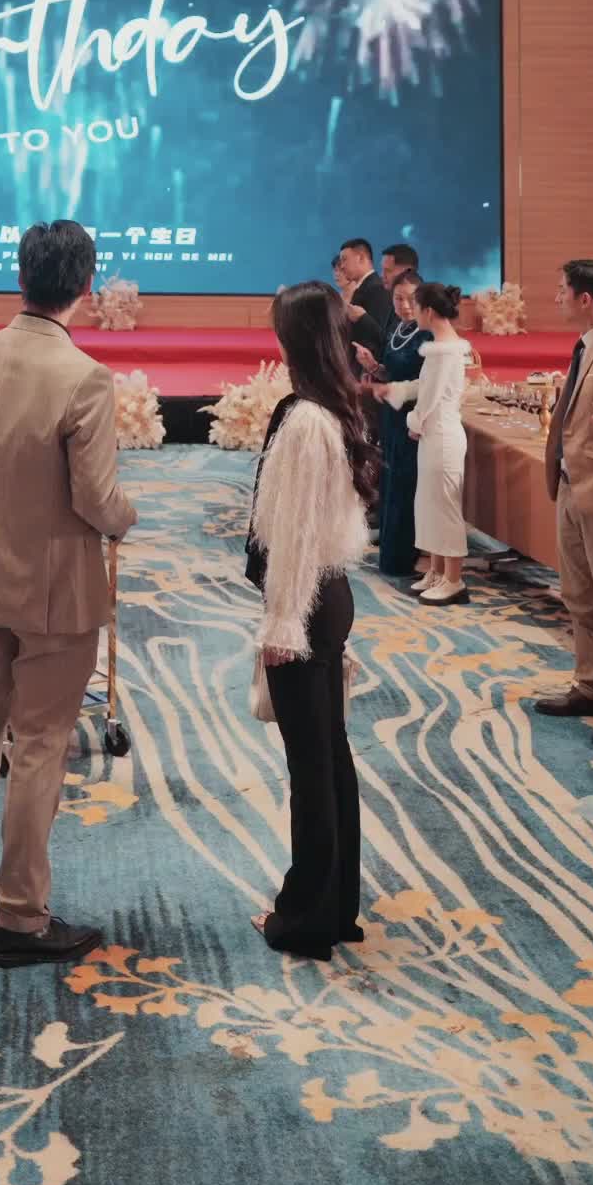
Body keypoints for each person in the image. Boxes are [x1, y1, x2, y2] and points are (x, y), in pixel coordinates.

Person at [0, 220, 138, 969]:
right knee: (41, 743)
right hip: (53, 589)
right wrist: (128, 517)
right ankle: (20, 917)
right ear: (86, 286)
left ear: (20, 277)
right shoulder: (84, 377)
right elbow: (96, 499)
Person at [245, 280, 375, 962]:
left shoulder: (305, 422)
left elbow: (293, 539)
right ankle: (334, 906)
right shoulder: (330, 409)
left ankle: (303, 917)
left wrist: (281, 625)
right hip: (329, 596)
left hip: (307, 601)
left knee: (313, 766)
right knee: (329, 756)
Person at [534, 259, 593, 740]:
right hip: (570, 483)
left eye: (562, 290)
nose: (557, 297)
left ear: (585, 298)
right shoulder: (586, 344)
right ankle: (591, 686)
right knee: (580, 596)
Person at [379, 282, 470, 607]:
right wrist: (397, 391)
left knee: (445, 509)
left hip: (442, 436)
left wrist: (413, 423)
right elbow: (423, 385)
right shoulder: (440, 347)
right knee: (428, 506)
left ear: (428, 311)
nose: (410, 312)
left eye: (415, 306)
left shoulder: (446, 351)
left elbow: (429, 399)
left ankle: (454, 580)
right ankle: (437, 570)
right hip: (434, 436)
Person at [355, 269, 431, 576]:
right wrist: (373, 366)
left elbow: (427, 383)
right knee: (389, 481)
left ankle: (405, 556)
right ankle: (390, 551)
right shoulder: (397, 328)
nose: (405, 305)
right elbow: (391, 372)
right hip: (390, 414)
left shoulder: (427, 334)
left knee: (406, 484)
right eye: (398, 299)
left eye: (411, 299)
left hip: (413, 418)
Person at [338, 237, 394, 362]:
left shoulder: (377, 288)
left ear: (361, 258)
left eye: (344, 260)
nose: (341, 266)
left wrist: (362, 318)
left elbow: (383, 336)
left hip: (370, 367)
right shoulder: (362, 287)